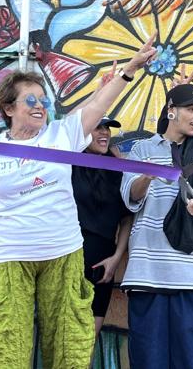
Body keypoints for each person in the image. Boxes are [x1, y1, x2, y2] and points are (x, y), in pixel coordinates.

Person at [0, 36, 156, 368]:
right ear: (8, 108)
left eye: (43, 101)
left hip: (62, 254)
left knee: (69, 346)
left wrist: (130, 69)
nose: (39, 106)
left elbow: (96, 107)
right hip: (8, 257)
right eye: (30, 100)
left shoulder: (60, 136)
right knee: (4, 348)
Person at [121, 83, 193, 369]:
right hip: (148, 274)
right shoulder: (142, 149)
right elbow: (130, 196)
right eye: (190, 109)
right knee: (147, 360)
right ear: (171, 111)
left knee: (190, 361)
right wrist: (148, 175)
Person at [72, 116, 131, 341]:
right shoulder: (68, 163)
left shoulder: (116, 169)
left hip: (103, 268)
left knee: (87, 342)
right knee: (66, 340)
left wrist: (116, 257)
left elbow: (126, 218)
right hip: (70, 263)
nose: (104, 132)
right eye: (97, 127)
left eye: (106, 128)